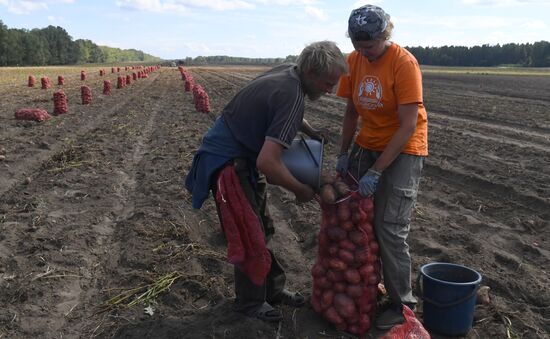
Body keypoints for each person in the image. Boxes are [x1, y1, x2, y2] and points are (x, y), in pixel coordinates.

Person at [185, 40, 347, 322]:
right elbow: (268, 163)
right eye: (327, 82)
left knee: (264, 227)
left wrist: (309, 130)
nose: (329, 90)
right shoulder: (291, 95)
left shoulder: (289, 71)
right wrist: (301, 190)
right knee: (250, 234)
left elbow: (284, 116)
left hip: (241, 156)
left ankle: (271, 291)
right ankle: (249, 303)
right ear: (310, 70)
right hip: (228, 163)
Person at [335, 5, 429, 330]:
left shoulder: (404, 64)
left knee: (389, 227)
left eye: (370, 46)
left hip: (404, 147)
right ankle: (367, 285)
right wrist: (344, 152)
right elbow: (351, 112)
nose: (364, 53)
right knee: (357, 220)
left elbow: (407, 126)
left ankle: (403, 304)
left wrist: (376, 171)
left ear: (386, 35)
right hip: (367, 141)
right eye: (358, 46)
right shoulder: (354, 60)